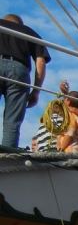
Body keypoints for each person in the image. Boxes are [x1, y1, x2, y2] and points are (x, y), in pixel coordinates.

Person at [0, 14, 50, 148]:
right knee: (12, 120)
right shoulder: (29, 32)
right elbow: (40, 61)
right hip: (19, 70)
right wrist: (36, 91)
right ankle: (7, 154)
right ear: (20, 25)